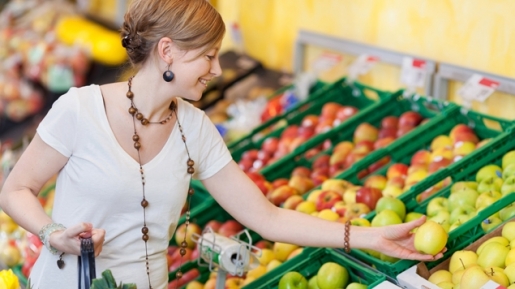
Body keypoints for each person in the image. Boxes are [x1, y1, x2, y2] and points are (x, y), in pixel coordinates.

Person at [0, 0, 444, 288]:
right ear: (168, 52)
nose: (215, 68)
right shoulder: (81, 110)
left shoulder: (195, 129)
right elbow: (15, 190)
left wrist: (371, 237)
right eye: (207, 55)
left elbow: (266, 218)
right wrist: (52, 233)